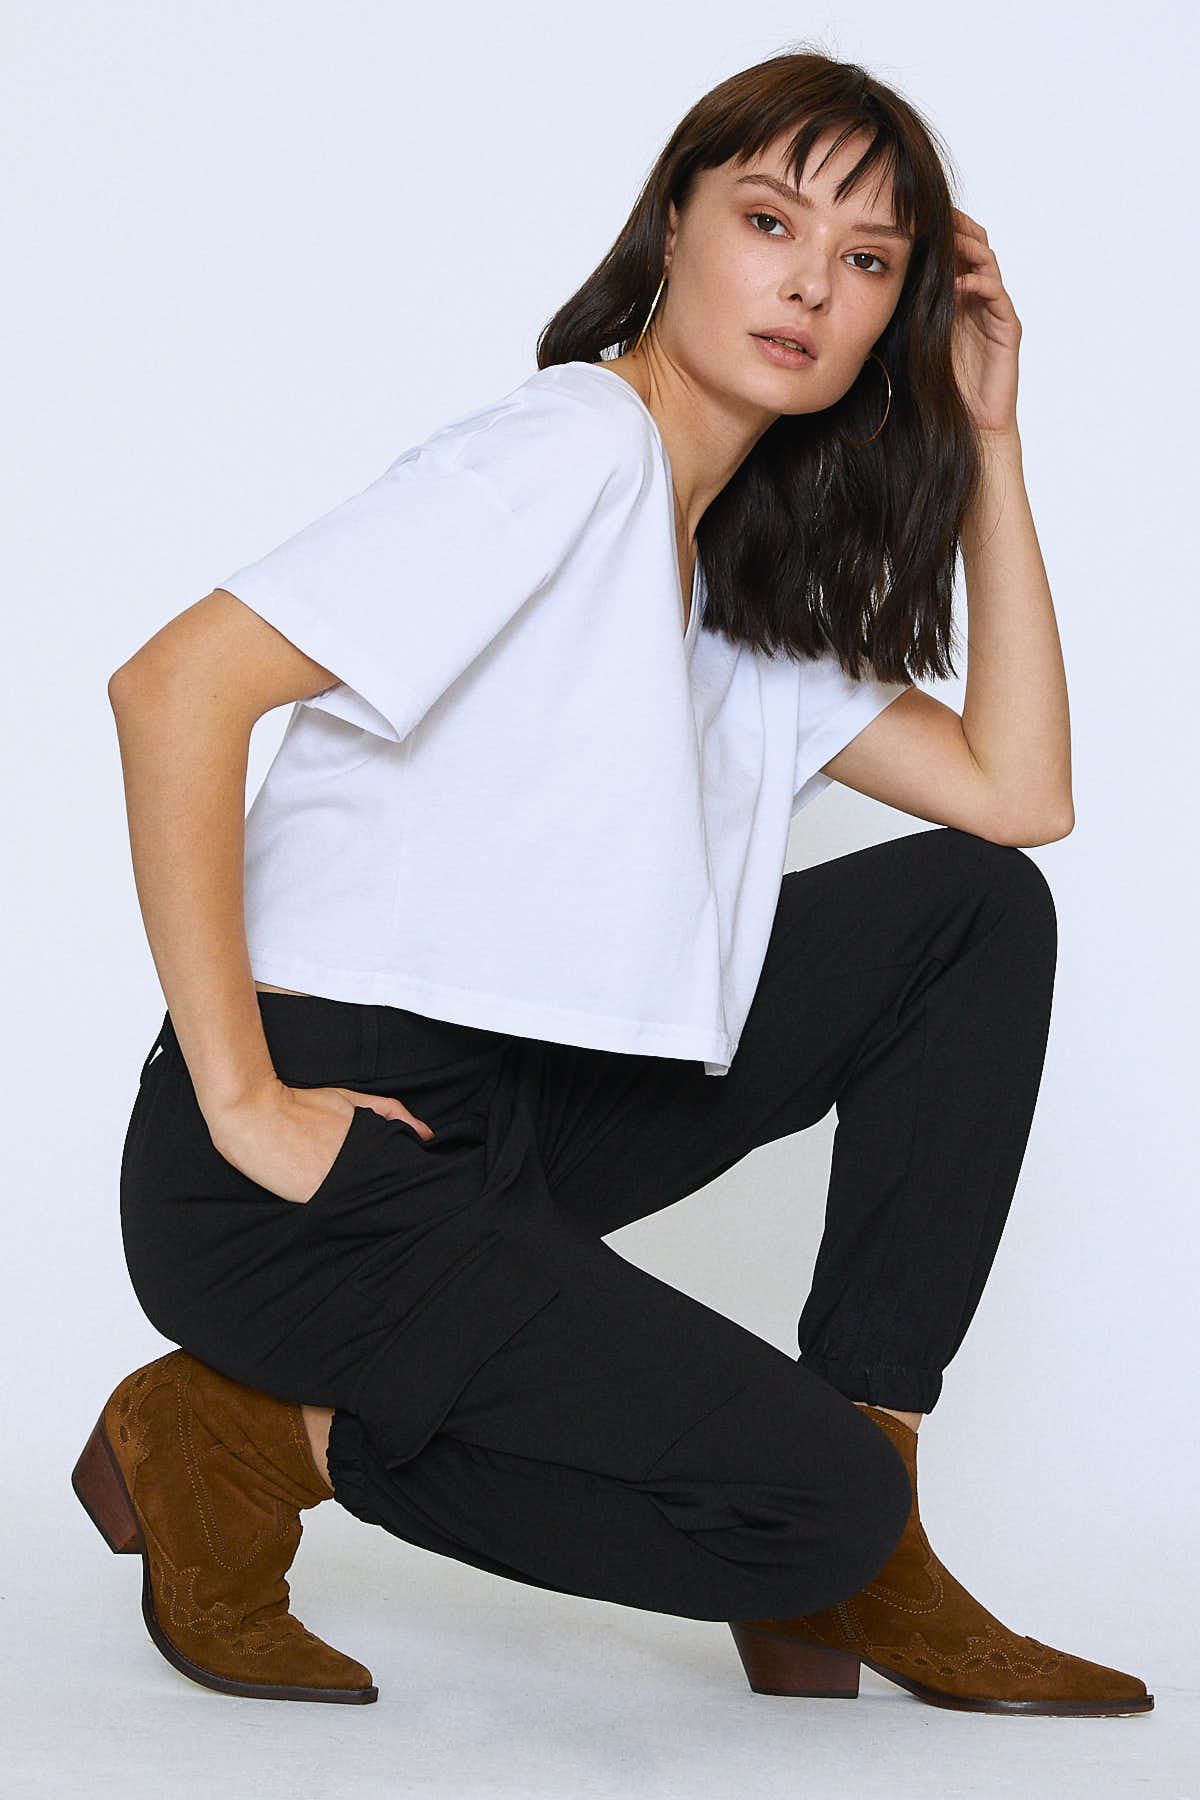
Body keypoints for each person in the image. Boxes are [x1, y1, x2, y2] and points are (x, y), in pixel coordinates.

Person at [75, 50, 1152, 1717]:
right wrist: (241, 1099)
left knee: (970, 913)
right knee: (805, 1513)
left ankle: (876, 1487)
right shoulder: (573, 451)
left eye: (868, 258)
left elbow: (1023, 798)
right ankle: (242, 1434)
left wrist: (991, 437)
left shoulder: (734, 580)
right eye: (770, 220)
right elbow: (176, 689)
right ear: (672, 226)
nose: (811, 282)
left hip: (503, 1118)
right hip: (309, 1174)